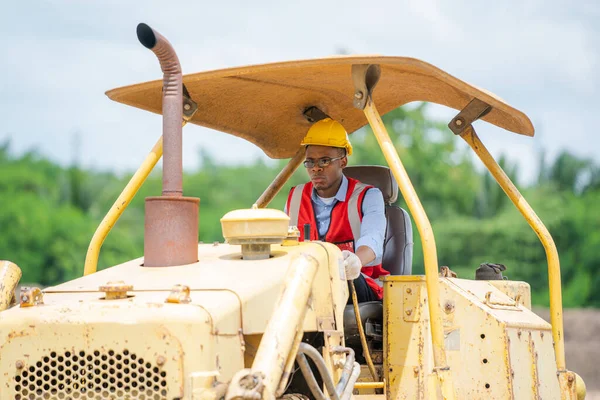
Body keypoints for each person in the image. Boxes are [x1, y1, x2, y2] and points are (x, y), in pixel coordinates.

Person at [285, 118, 388, 303]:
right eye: (310, 162)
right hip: (305, 283)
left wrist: (355, 261)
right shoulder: (295, 197)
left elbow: (373, 240)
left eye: (325, 161)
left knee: (339, 280)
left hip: (359, 284)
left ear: (343, 161)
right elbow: (281, 243)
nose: (316, 168)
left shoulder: (368, 196)